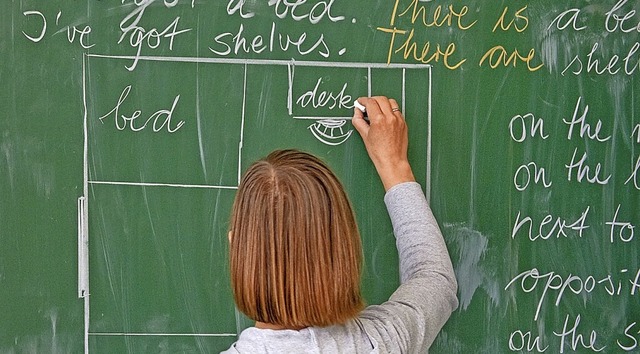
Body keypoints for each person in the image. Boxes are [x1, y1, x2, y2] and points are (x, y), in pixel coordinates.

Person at [223, 96, 458, 353]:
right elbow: (434, 278)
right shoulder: (381, 342)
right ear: (344, 247)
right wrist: (394, 165)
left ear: (237, 246)